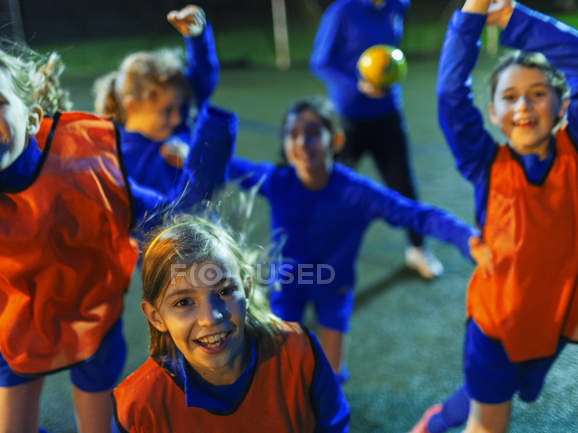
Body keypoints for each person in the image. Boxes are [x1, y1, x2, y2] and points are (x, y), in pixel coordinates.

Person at [0, 34, 235, 433]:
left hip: (92, 315)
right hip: (17, 320)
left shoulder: (85, 169)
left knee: (97, 425)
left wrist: (211, 142)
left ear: (34, 117)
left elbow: (175, 218)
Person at [227, 97, 490, 383]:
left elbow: (417, 215)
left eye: (313, 133)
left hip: (334, 288)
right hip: (288, 285)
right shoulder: (277, 180)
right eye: (293, 134)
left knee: (332, 376)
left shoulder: (356, 192)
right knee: (284, 369)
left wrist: (466, 237)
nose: (302, 142)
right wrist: (184, 153)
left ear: (336, 140)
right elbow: (227, 166)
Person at [408, 1, 578, 432]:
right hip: (498, 323)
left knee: (495, 387)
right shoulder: (486, 163)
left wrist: (511, 17)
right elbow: (449, 93)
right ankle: (436, 421)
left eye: (539, 93)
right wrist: (469, 15)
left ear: (562, 106)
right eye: (510, 96)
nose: (524, 106)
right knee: (488, 418)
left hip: (562, 312)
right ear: (494, 115)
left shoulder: (574, 149)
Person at [111, 213, 351, 432]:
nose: (211, 318)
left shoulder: (299, 352)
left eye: (224, 291)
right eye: (184, 302)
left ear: (246, 289)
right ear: (155, 316)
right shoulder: (137, 407)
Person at [309, 0, 443, 279]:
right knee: (332, 188)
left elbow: (388, 54)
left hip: (387, 114)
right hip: (348, 119)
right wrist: (356, 84)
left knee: (403, 185)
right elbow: (320, 62)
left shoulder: (398, 6)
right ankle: (316, 256)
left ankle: (417, 249)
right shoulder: (342, 11)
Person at [93, 4, 219, 195]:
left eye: (181, 108)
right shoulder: (115, 157)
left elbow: (201, 83)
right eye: (166, 111)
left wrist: (197, 37)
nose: (177, 118)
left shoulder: (179, 131)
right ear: (132, 107)